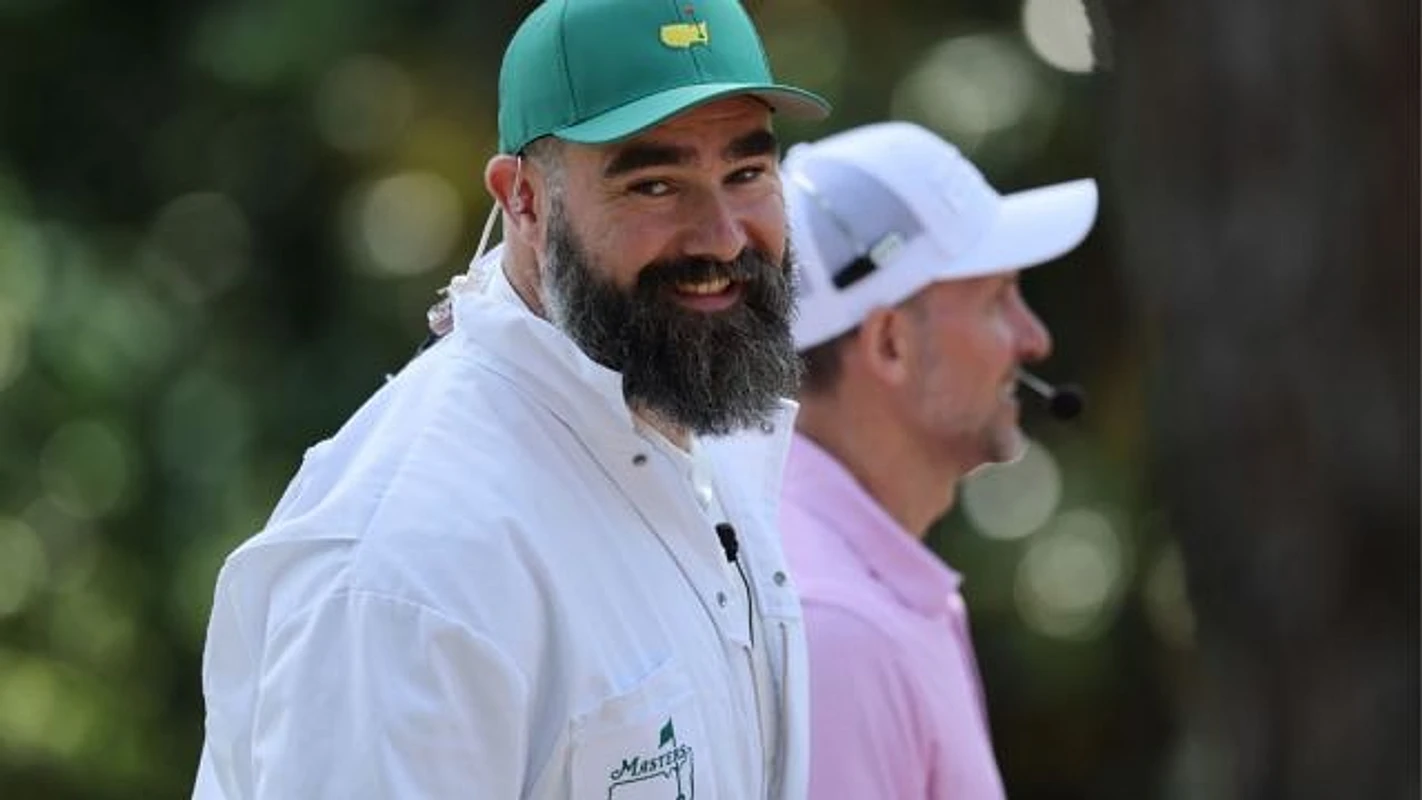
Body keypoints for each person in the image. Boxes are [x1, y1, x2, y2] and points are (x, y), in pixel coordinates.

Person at [193, 0, 829, 796]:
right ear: (523, 200)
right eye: (656, 185)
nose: (724, 236)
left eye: (747, 174)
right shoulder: (409, 565)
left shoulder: (695, 440)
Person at [776, 121, 1098, 799]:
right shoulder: (838, 631)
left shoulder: (865, 598)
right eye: (997, 299)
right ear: (889, 343)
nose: (1034, 339)